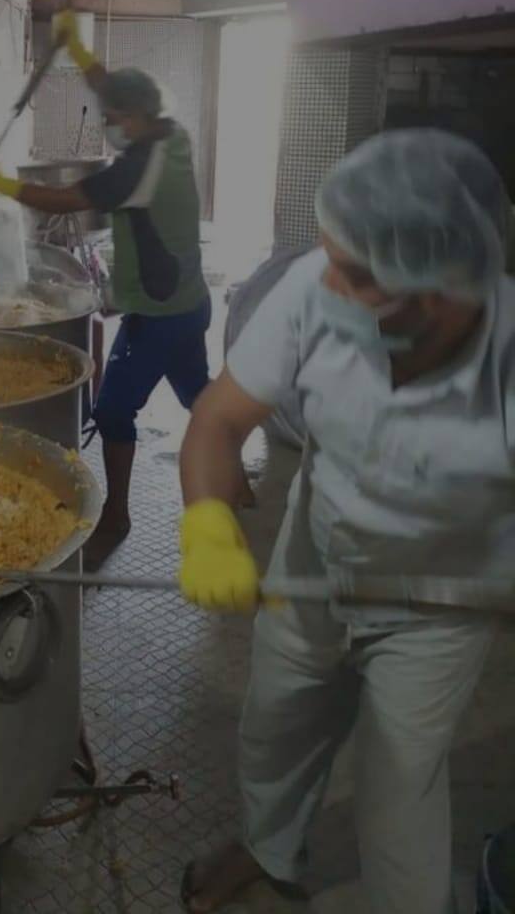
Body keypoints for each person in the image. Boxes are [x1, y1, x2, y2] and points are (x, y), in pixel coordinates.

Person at [175, 128, 515, 914]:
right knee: (277, 721)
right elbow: (219, 419)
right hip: (314, 555)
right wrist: (207, 523)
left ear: (444, 288)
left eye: (356, 274)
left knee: (399, 785)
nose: (326, 282)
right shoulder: (312, 287)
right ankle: (267, 849)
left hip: (439, 601)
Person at [0, 10, 212, 570]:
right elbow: (113, 89)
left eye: (112, 118)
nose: (107, 122)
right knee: (199, 395)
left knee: (110, 413)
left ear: (133, 119)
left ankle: (119, 514)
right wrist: (77, 49)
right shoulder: (169, 133)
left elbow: (66, 200)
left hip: (157, 312)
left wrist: (3, 184)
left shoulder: (139, 170)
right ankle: (235, 488)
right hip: (191, 300)